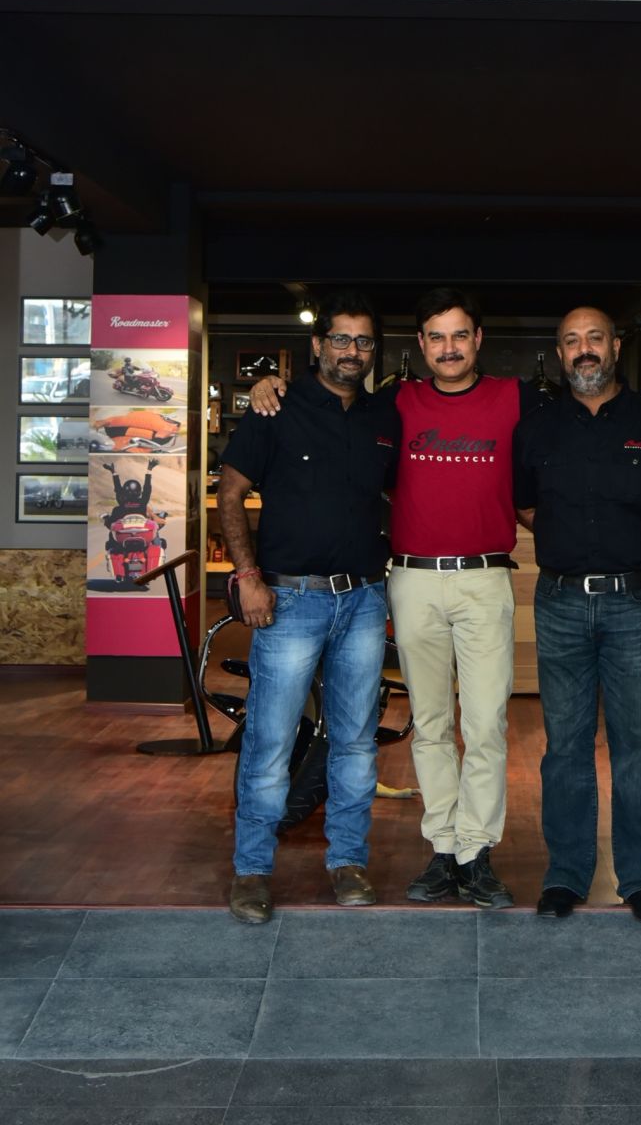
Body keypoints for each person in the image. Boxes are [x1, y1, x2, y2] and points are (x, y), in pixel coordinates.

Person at [250, 285, 641, 910]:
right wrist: (273, 385)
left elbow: (592, 397)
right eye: (436, 337)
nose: (448, 348)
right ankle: (443, 847)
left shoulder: (520, 399)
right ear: (420, 345)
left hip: (484, 580)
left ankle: (476, 851)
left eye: (459, 335)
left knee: (485, 726)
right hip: (413, 579)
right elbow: (332, 400)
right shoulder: (394, 402)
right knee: (430, 725)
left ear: (478, 340)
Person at [513, 305, 641, 925]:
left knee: (635, 747)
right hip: (561, 602)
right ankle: (567, 874)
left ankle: (640, 880)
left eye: (594, 337)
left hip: (637, 604)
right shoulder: (537, 427)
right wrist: (572, 546)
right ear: (560, 353)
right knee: (565, 747)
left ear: (616, 346)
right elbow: (525, 508)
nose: (584, 349)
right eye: (572, 341)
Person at [218, 291, 400, 925]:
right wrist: (248, 577)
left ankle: (348, 861)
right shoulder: (276, 407)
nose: (352, 351)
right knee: (270, 740)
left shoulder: (384, 416)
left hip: (364, 599)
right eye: (341, 339)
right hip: (289, 599)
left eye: (364, 341)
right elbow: (231, 493)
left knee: (354, 742)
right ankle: (251, 870)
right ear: (318, 344)